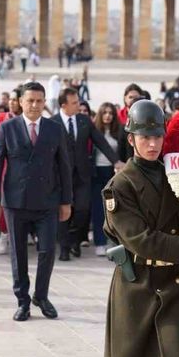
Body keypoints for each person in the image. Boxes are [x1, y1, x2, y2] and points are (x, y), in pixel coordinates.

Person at [102, 99, 179, 357]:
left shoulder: (176, 178)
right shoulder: (119, 186)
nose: (152, 144)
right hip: (137, 285)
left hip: (173, 282)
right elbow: (142, 241)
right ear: (131, 139)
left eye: (158, 136)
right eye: (145, 137)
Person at [0, 81, 72, 321]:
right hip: (15, 202)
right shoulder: (8, 128)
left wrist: (66, 201)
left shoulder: (54, 128)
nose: (35, 105)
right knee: (18, 254)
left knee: (47, 251)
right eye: (30, 101)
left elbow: (64, 167)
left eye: (39, 101)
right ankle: (22, 301)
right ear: (21, 102)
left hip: (47, 201)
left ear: (45, 102)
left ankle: (41, 296)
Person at [53, 88, 123, 261]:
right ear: (64, 105)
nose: (78, 105)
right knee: (63, 211)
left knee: (83, 210)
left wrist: (116, 161)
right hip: (61, 176)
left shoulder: (84, 121)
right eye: (74, 103)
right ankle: (64, 247)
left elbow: (101, 141)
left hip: (83, 176)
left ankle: (75, 240)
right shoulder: (52, 123)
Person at [90, 103, 129, 257]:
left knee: (112, 208)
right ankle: (100, 242)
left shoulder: (119, 131)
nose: (108, 116)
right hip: (96, 173)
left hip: (113, 173)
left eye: (110, 113)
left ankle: (113, 240)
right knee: (98, 209)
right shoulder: (93, 131)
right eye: (104, 113)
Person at [0, 86, 23, 255]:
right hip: (5, 167)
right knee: (5, 202)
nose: (11, 102)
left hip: (24, 168)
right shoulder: (2, 118)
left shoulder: (28, 120)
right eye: (10, 99)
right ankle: (4, 234)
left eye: (15, 100)